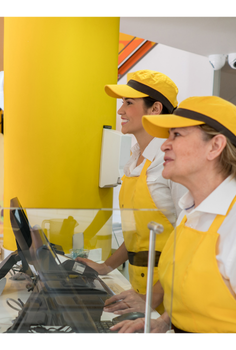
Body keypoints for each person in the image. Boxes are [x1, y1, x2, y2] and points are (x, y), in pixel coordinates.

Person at [111, 96, 236, 333]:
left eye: (177, 135)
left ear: (215, 146)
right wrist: (163, 322)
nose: (164, 144)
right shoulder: (191, 211)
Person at [76, 70, 187, 313]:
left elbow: (190, 242)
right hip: (141, 291)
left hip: (170, 298)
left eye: (128, 103)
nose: (120, 111)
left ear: (155, 109)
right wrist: (105, 267)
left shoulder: (170, 163)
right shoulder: (135, 159)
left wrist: (152, 298)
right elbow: (138, 234)